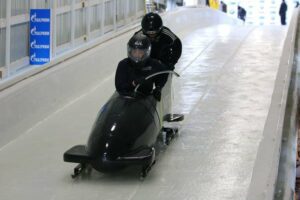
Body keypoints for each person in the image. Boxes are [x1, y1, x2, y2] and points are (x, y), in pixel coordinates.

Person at [115, 33, 167, 101]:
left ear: (146, 52)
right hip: (125, 101)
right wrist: (134, 83)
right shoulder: (123, 65)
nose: (137, 55)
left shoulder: (153, 64)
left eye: (140, 52)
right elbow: (119, 87)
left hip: (145, 102)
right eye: (134, 52)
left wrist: (158, 88)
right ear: (130, 51)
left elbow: (164, 74)